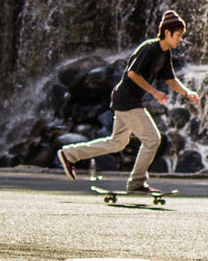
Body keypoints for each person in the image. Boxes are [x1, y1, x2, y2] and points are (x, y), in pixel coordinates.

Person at [57, 10, 199, 193]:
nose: (180, 39)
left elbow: (171, 80)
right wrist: (154, 92)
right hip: (127, 100)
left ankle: (69, 154)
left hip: (127, 100)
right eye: (178, 35)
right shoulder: (149, 48)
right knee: (153, 139)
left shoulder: (164, 54)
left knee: (116, 143)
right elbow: (132, 73)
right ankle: (137, 183)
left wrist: (188, 93)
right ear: (167, 33)